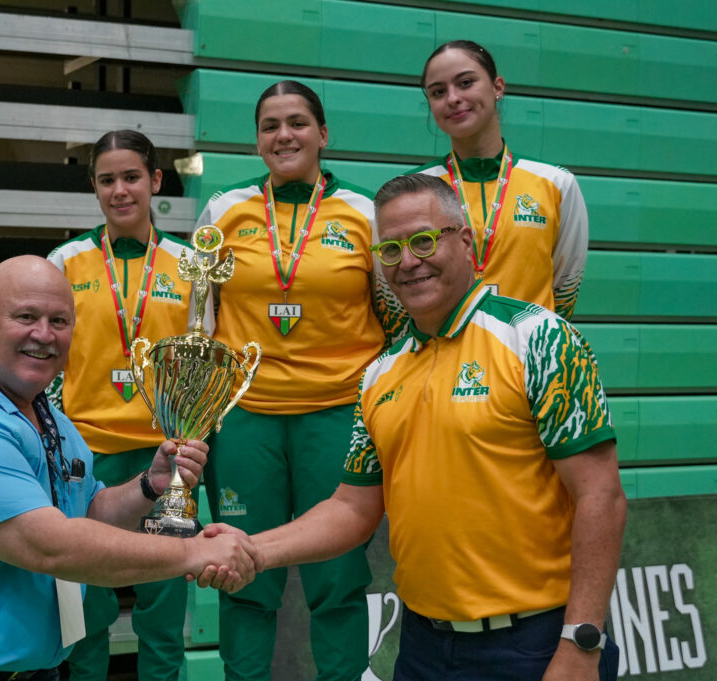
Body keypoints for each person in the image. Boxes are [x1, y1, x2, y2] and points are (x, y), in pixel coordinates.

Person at [233, 173, 626, 681]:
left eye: (423, 240)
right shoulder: (379, 373)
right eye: (391, 249)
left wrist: (582, 640)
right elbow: (352, 509)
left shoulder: (539, 338)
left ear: (465, 242)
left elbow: (601, 496)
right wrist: (252, 550)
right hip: (422, 647)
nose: (408, 262)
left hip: (537, 643)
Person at [0, 255, 259, 681]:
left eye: (59, 321)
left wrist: (148, 487)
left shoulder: (48, 418)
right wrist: (194, 552)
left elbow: (86, 511)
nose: (44, 335)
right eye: (26, 317)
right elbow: (51, 545)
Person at [194, 80, 398, 681]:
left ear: (323, 134)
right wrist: (194, 421)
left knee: (337, 577)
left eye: (298, 123)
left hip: (338, 416)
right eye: (270, 126)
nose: (284, 135)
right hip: (244, 421)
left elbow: (392, 316)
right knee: (239, 570)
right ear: (257, 140)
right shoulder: (222, 211)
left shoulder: (365, 213)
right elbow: (200, 322)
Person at [47, 130, 210, 681]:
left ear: (156, 180)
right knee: (86, 609)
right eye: (107, 179)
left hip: (166, 454)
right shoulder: (65, 262)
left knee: (163, 609)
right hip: (86, 455)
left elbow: (202, 363)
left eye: (132, 177)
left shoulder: (191, 264)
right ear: (93, 187)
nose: (120, 190)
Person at [412, 39, 588, 320]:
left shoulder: (556, 183)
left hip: (530, 346)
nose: (453, 98)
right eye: (438, 92)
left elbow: (565, 288)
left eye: (466, 83)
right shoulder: (414, 189)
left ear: (497, 87)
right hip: (444, 346)